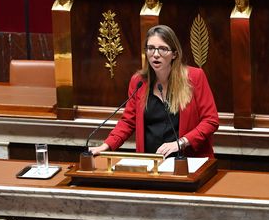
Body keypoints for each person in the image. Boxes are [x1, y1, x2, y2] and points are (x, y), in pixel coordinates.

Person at [90, 25, 219, 158]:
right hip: (151, 162)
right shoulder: (138, 81)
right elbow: (128, 121)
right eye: (151, 48)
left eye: (163, 49)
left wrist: (181, 143)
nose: (156, 54)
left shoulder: (194, 77)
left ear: (174, 54)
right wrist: (106, 146)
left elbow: (211, 120)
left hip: (187, 160)